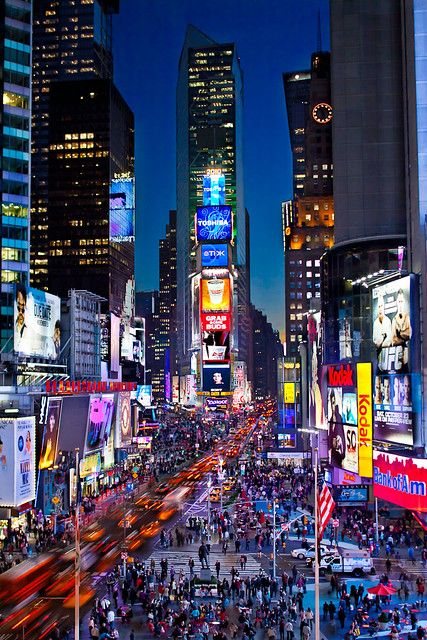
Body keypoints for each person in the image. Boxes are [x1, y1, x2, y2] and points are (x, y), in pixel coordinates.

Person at [328, 390, 345, 467]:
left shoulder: (339, 417)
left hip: (339, 454)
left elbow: (342, 436)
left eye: (334, 402)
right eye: (331, 402)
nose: (333, 405)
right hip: (333, 453)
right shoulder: (330, 418)